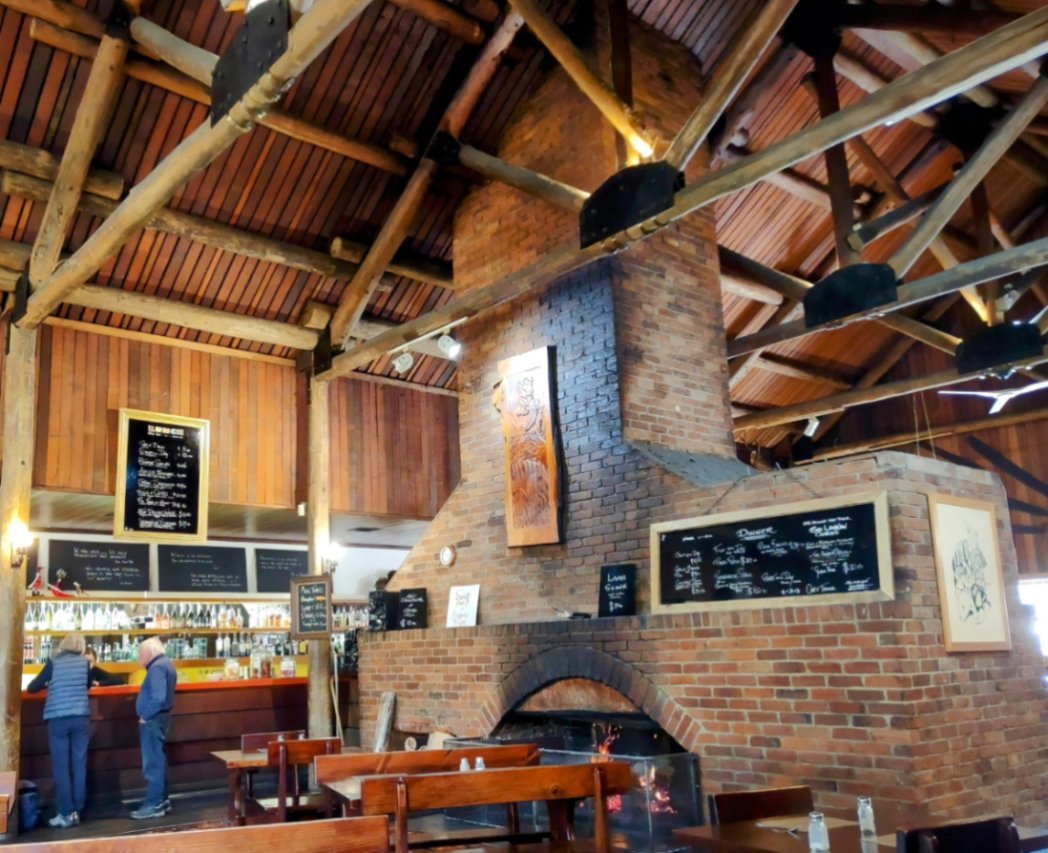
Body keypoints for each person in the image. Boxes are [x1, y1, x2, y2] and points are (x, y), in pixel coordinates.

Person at [25, 632, 90, 828]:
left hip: (58, 718)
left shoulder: (54, 663)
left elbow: (32, 687)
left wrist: (49, 684)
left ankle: (65, 813)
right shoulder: (85, 663)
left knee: (61, 767)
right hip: (81, 717)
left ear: (63, 645)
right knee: (80, 765)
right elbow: (87, 686)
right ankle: (77, 811)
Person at [131, 637, 177, 820]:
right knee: (159, 759)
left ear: (149, 653)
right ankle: (162, 799)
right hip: (161, 718)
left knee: (153, 763)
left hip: (153, 720)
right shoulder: (167, 664)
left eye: (140, 654)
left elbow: (158, 698)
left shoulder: (157, 667)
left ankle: (154, 803)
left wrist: (145, 715)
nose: (139, 658)